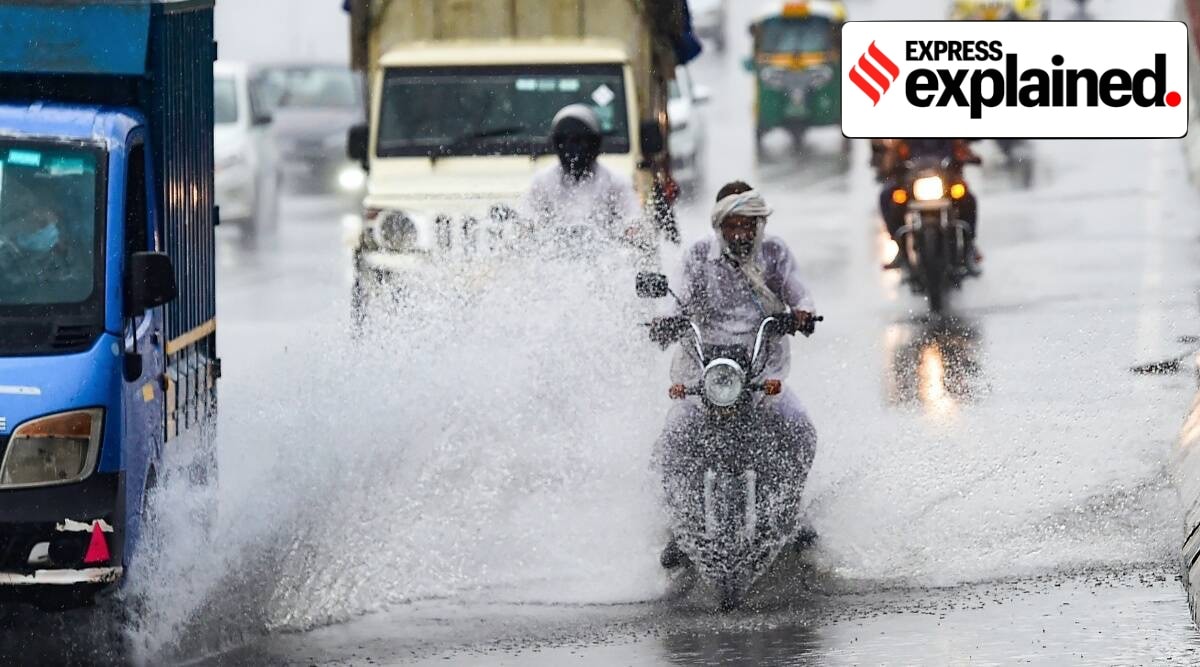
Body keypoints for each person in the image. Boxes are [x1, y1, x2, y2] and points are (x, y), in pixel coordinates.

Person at [656, 181, 819, 569]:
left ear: (761, 225)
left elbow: (800, 291)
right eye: (733, 225)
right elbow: (673, 297)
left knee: (800, 431)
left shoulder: (775, 253)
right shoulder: (697, 256)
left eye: (749, 225)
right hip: (706, 375)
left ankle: (789, 515)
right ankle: (682, 528)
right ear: (719, 225)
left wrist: (803, 312)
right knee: (672, 440)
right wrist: (664, 321)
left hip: (762, 375)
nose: (741, 233)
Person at [522, 104, 656, 263]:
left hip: (604, 265)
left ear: (594, 144)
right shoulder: (542, 182)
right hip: (553, 264)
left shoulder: (616, 182)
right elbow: (528, 221)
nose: (572, 150)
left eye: (579, 142)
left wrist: (632, 233)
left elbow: (632, 220)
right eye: (565, 142)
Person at [877, 138, 982, 271]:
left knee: (967, 199)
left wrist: (969, 157)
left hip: (947, 181)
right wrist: (889, 164)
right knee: (888, 197)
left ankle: (969, 246)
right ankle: (901, 247)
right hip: (912, 181)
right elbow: (892, 156)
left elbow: (962, 148)